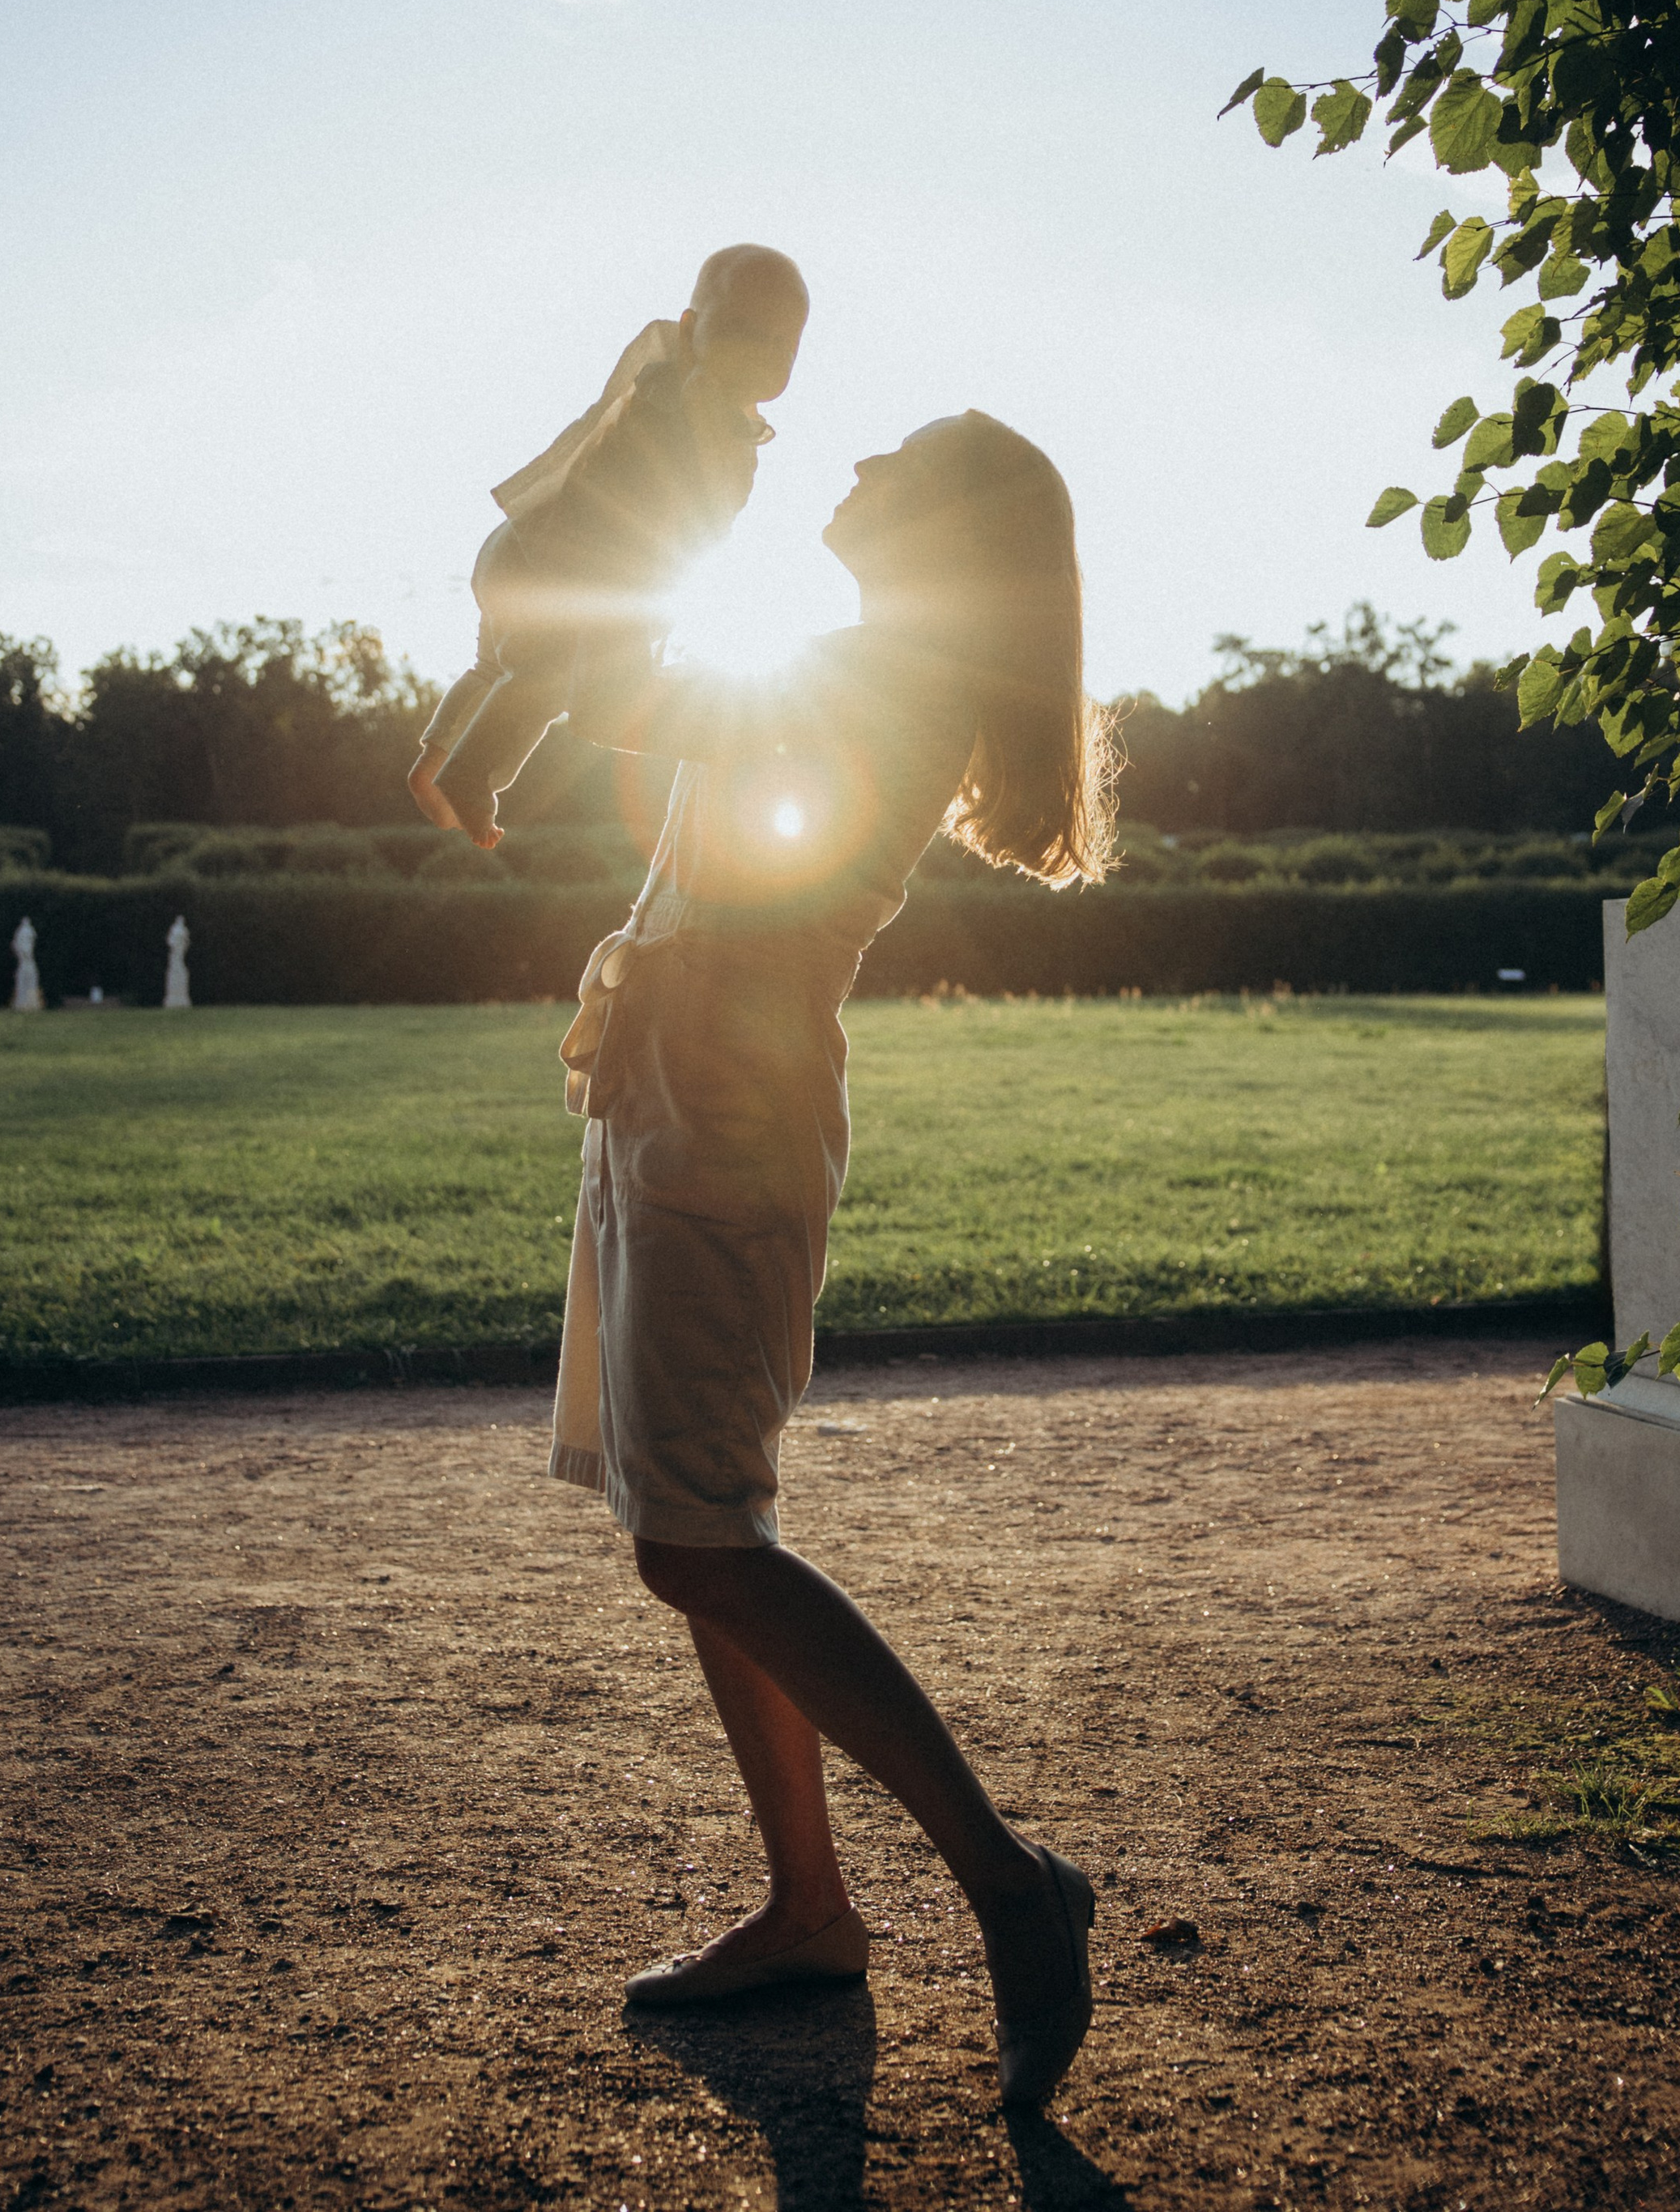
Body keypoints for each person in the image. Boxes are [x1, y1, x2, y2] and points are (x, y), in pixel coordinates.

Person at [548, 410, 1118, 2105]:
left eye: (892, 456)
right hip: (670, 1107)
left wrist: (628, 477)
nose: (850, 464)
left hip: (723, 1126)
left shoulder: (885, 678)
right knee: (695, 1517)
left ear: (938, 521)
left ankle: (1011, 1887)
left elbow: (623, 703)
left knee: (697, 1541)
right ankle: (808, 1908)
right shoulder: (858, 659)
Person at [408, 245, 810, 847]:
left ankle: (437, 761)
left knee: (499, 668)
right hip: (563, 573)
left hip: (520, 550)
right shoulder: (687, 396)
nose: (764, 353)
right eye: (744, 332)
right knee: (545, 679)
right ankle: (470, 772)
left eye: (785, 344)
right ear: (692, 330)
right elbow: (695, 512)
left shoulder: (703, 403)